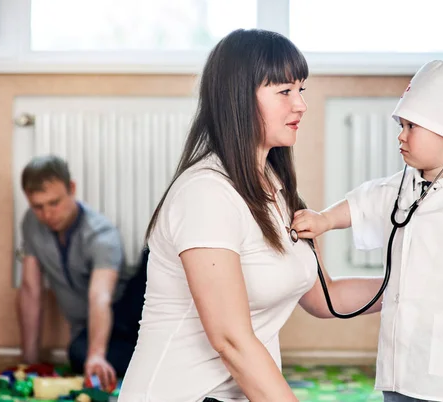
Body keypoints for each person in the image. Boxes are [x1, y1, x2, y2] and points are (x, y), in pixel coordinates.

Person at [118, 28, 384, 402]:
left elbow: (327, 298)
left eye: (301, 89)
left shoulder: (278, 189)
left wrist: (413, 284)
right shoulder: (205, 194)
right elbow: (231, 339)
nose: (301, 105)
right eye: (284, 91)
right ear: (239, 99)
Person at [291, 60, 443, 401]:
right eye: (401, 125)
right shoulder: (403, 187)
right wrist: (324, 221)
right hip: (400, 361)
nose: (400, 136)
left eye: (411, 127)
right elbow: (364, 203)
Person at [17, 155, 147, 390]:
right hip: (93, 330)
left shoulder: (101, 234)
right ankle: (148, 361)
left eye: (54, 203)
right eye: (38, 206)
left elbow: (100, 297)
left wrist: (97, 354)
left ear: (72, 189)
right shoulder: (31, 223)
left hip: (126, 315)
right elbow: (30, 290)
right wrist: (29, 362)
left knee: (151, 258)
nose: (47, 214)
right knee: (78, 353)